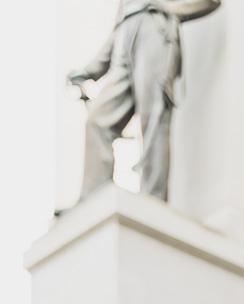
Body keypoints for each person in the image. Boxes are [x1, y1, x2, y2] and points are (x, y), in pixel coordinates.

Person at [67, 0, 221, 204]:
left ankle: (153, 199)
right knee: (97, 121)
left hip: (153, 28)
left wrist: (168, 10)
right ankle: (92, 200)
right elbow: (118, 26)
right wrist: (91, 69)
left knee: (154, 116)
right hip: (124, 37)